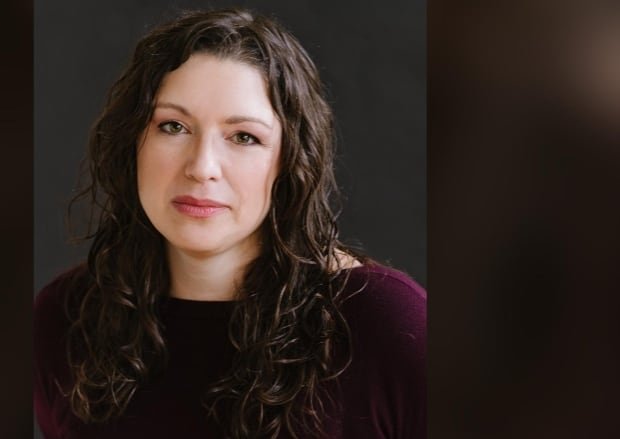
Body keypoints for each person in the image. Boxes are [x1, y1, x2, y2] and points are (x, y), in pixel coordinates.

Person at [34, 8, 425, 439]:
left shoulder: (386, 324)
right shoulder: (63, 321)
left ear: (290, 161)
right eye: (173, 126)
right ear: (133, 146)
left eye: (243, 137)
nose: (202, 167)